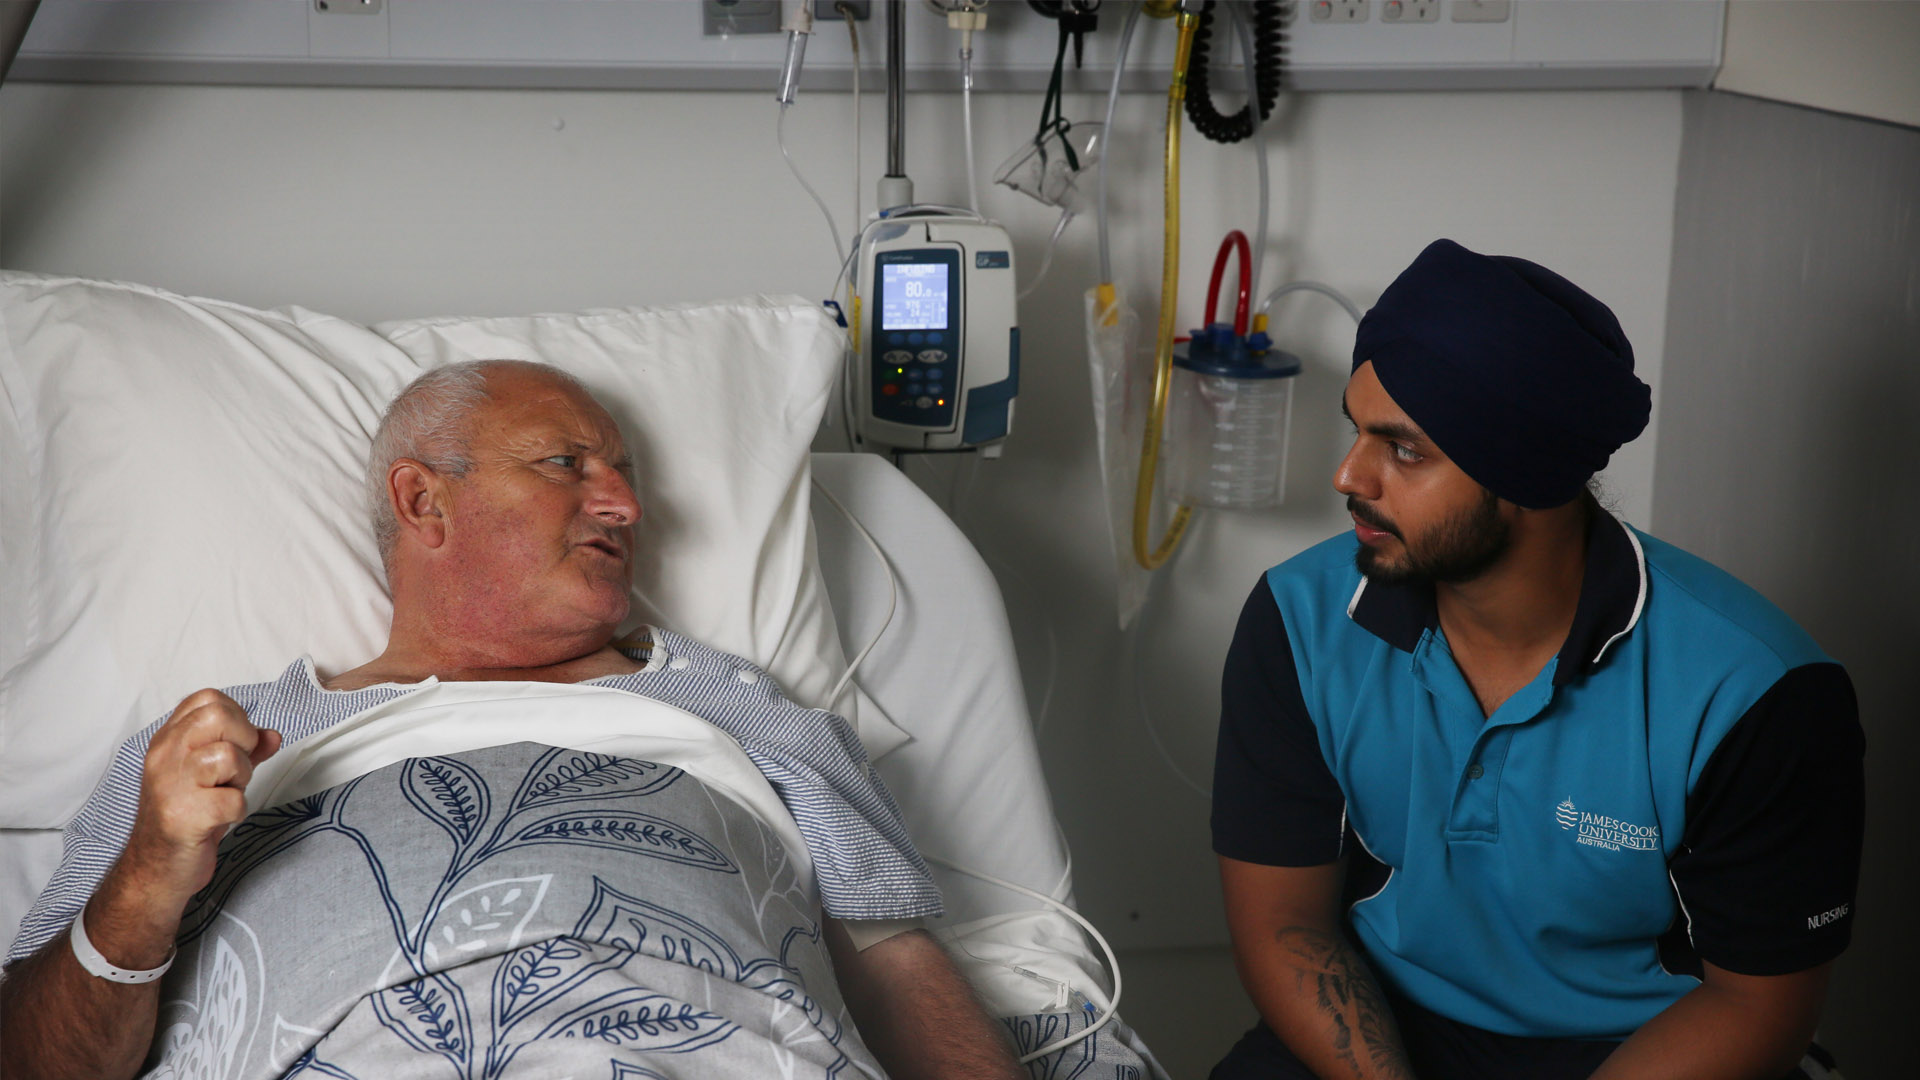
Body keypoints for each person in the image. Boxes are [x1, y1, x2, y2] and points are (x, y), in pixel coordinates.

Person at [0, 359, 1026, 1080]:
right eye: (564, 464)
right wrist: (144, 879)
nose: (623, 502)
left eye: (623, 473)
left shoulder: (742, 710)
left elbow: (895, 964)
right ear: (422, 502)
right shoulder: (214, 752)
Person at [1209, 240, 1864, 1080]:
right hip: (1390, 1031)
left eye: (1403, 450)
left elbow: (1756, 1006)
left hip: (1652, 1046)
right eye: (1357, 429)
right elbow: (1284, 924)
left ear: (1523, 475)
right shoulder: (1301, 622)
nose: (1349, 474)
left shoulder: (1754, 692)